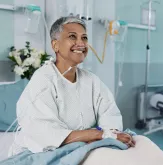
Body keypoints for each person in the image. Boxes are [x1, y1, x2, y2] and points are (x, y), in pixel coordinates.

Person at [9, 16, 135, 156]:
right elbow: (45, 133)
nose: (81, 43)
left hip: (87, 148)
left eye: (84, 38)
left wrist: (108, 134)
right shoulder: (43, 80)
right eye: (72, 37)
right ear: (55, 45)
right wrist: (96, 135)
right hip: (41, 153)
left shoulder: (92, 80)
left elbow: (110, 114)